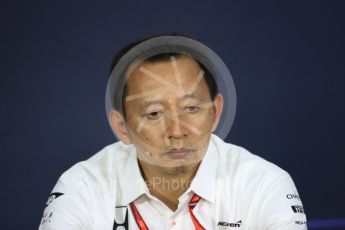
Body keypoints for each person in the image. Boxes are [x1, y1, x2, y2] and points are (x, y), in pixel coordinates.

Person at [39, 34, 307, 230]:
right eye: (154, 114)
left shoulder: (264, 184)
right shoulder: (81, 187)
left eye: (191, 108)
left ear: (215, 112)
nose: (177, 132)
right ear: (122, 127)